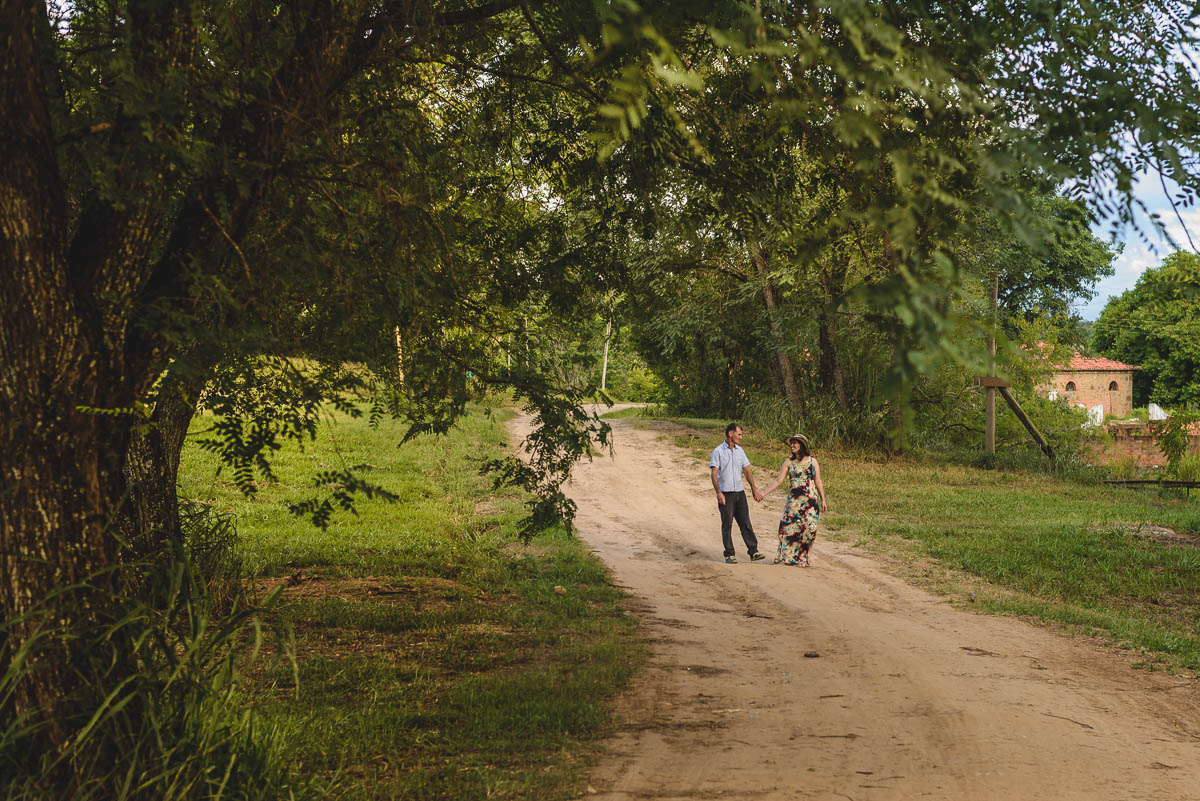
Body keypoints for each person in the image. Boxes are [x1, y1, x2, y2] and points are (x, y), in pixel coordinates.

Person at [760, 433, 827, 567]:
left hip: (810, 501)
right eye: (791, 443)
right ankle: (793, 556)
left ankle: (808, 552)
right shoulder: (789, 462)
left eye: (795, 443)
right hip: (794, 502)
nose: (792, 445)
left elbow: (818, 481)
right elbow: (778, 480)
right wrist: (763, 493)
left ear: (802, 445)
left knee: (810, 528)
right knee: (790, 528)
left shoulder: (812, 461)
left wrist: (823, 499)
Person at [709, 423, 765, 564]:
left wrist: (754, 489)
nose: (741, 437)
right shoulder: (718, 451)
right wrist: (718, 493)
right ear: (730, 434)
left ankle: (753, 551)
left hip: (740, 493)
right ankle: (729, 554)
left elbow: (747, 471)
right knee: (727, 524)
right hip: (726, 494)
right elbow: (714, 474)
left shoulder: (740, 451)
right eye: (739, 434)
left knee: (745, 522)